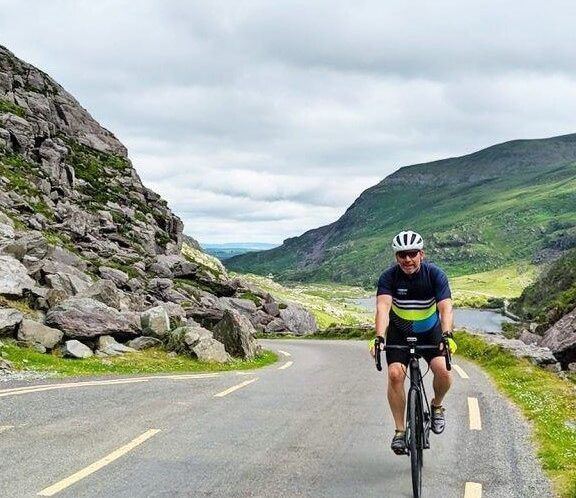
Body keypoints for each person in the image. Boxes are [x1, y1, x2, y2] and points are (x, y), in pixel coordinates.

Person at [373, 230, 454, 455]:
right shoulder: (388, 277)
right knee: (395, 375)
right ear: (396, 257)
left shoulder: (435, 275)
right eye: (402, 255)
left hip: (430, 332)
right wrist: (379, 337)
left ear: (421, 254)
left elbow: (445, 307)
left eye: (412, 254)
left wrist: (447, 334)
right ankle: (400, 432)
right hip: (399, 332)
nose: (407, 259)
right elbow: (383, 308)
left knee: (444, 373)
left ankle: (436, 406)